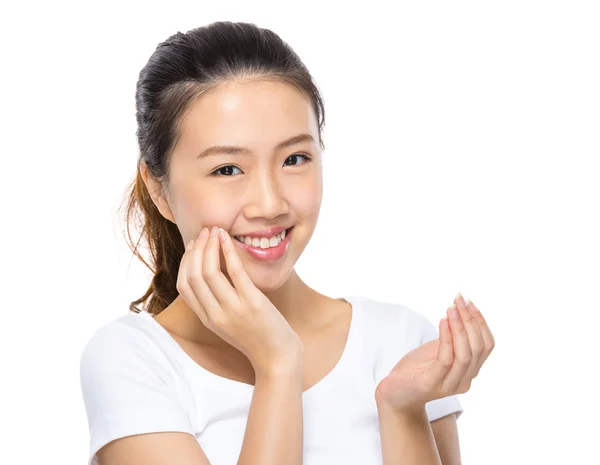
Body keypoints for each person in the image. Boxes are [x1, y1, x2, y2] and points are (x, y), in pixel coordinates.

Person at [79, 21, 495, 465]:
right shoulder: (133, 360)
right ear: (159, 189)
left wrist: (402, 409)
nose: (269, 203)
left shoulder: (399, 342)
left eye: (294, 159)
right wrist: (277, 363)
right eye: (227, 169)